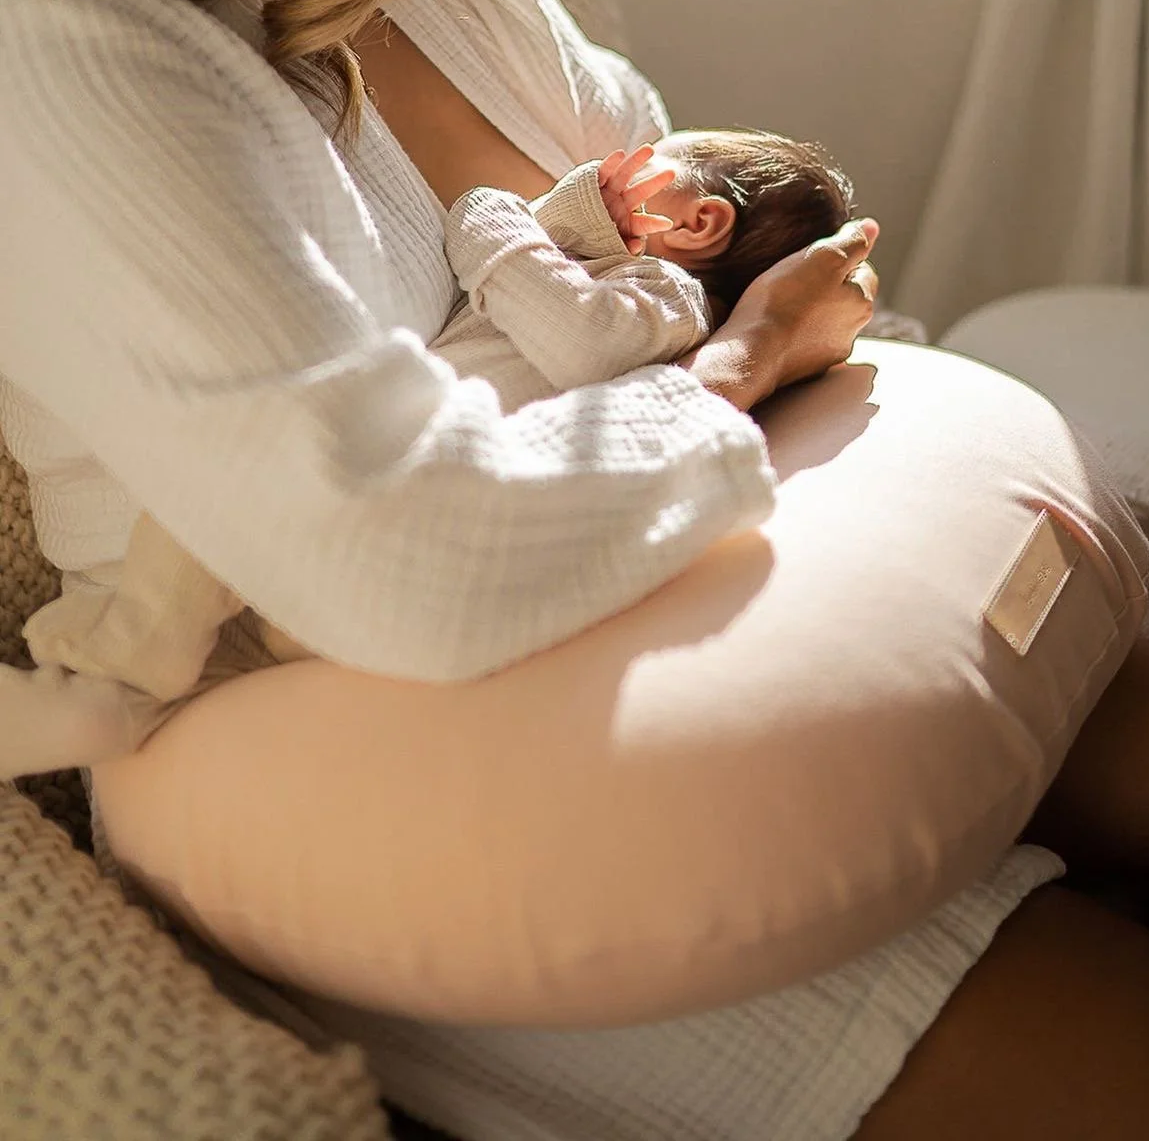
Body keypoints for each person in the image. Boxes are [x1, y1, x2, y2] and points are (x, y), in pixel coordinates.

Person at [0, 0, 1149, 1141]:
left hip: (679, 578)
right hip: (430, 762)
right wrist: (740, 370)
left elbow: (642, 186)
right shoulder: (83, 71)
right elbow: (393, 560)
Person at [0, 119, 855, 778]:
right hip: (342, 562)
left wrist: (497, 219)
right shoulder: (611, 277)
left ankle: (125, 673)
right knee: (217, 526)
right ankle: (128, 701)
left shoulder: (660, 297)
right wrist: (572, 217)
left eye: (632, 173)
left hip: (396, 530)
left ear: (700, 224)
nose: (597, 177)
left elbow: (578, 339)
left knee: (221, 497)